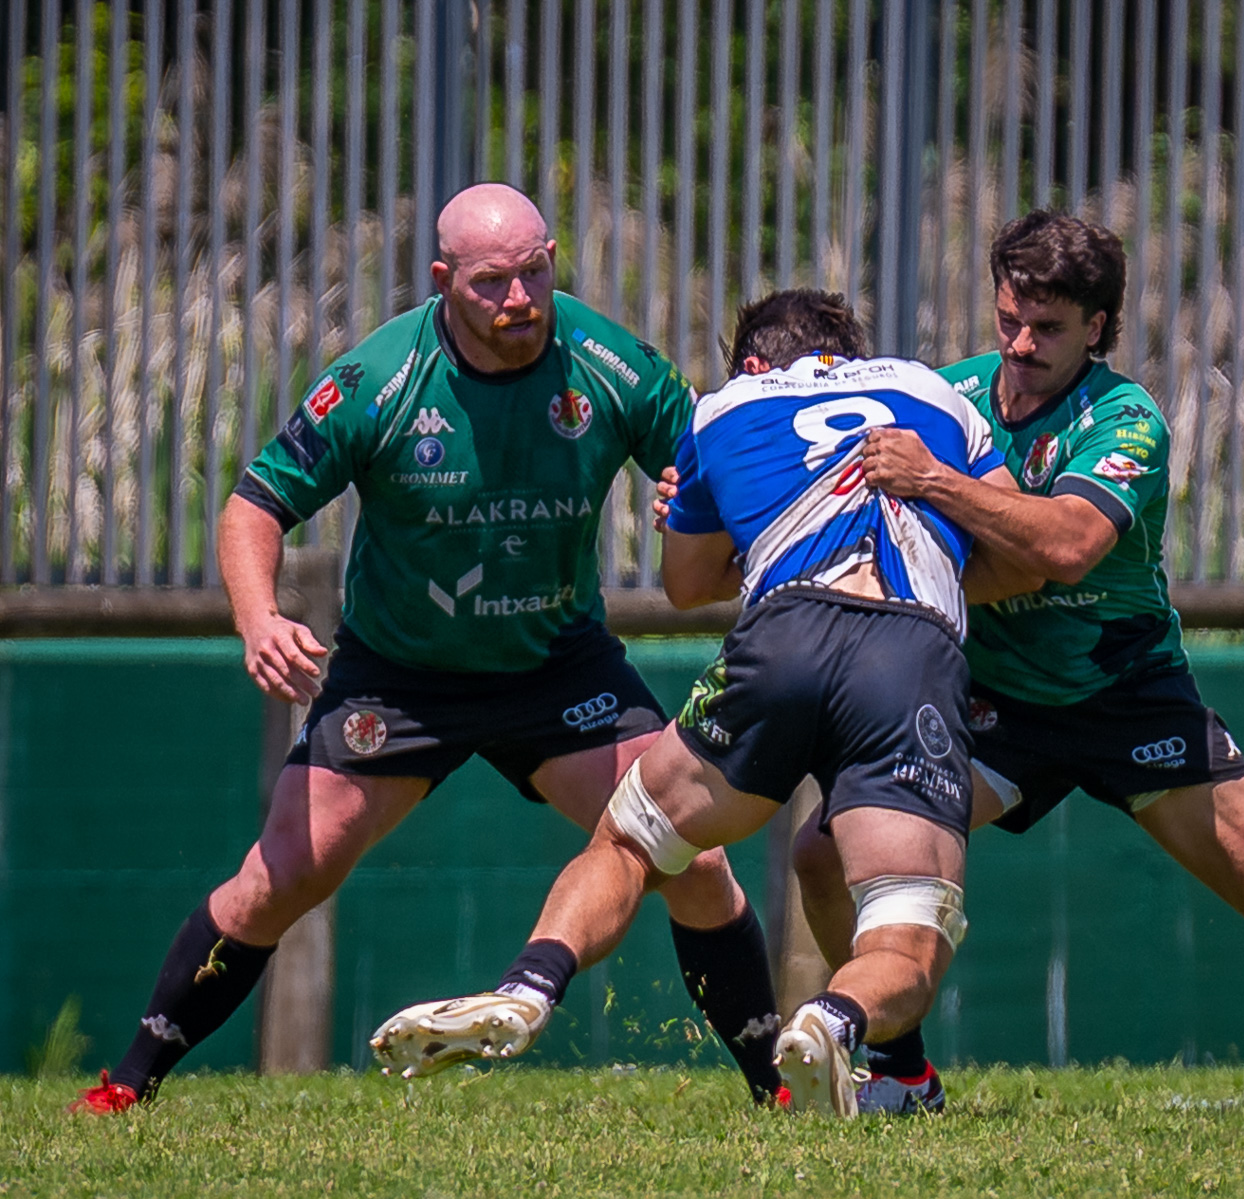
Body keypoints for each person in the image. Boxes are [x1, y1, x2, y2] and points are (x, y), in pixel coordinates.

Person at [791, 210, 1244, 1121]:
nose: (1020, 346)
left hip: (1128, 696)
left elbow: (1068, 546)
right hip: (992, 703)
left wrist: (936, 482)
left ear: (1097, 327)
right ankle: (902, 1072)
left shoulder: (1126, 418)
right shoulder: (949, 398)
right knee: (823, 851)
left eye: (1047, 328)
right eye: (1009, 320)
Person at [70, 184, 782, 1113]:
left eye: (535, 272)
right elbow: (253, 505)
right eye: (492, 283)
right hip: (399, 679)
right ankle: (127, 1086)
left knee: (692, 855)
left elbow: (713, 466)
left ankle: (776, 1089)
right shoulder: (380, 379)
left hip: (557, 668)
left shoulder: (609, 365)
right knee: (281, 876)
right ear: (443, 279)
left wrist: (697, 505)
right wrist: (259, 617)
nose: (520, 298)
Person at [367, 289, 1041, 1116]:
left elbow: (687, 585)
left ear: (753, 363)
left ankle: (530, 984)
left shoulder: (722, 410)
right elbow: (1024, 548)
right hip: (907, 648)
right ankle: (833, 1018)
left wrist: (739, 523)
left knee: (629, 840)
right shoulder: (931, 390)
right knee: (905, 930)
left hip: (782, 635)